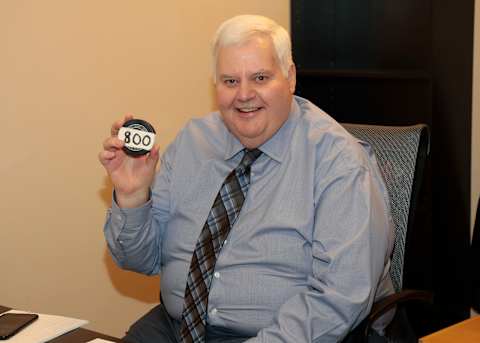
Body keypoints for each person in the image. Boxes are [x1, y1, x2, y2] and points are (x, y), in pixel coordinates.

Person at [99, 14, 394, 343]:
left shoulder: (339, 163)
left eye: (260, 77)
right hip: (176, 327)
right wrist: (133, 197)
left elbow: (339, 298)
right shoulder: (193, 142)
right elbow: (140, 259)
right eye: (230, 81)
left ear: (290, 77)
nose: (244, 94)